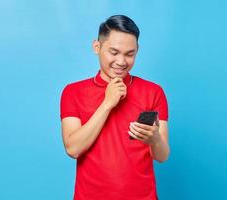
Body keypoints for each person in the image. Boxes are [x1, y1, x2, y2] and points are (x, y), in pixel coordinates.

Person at [60, 15, 170, 200]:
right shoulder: (73, 92)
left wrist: (155, 139)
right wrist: (107, 104)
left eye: (130, 54)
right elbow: (73, 149)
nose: (121, 61)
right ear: (97, 47)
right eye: (114, 52)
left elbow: (162, 155)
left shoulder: (153, 92)